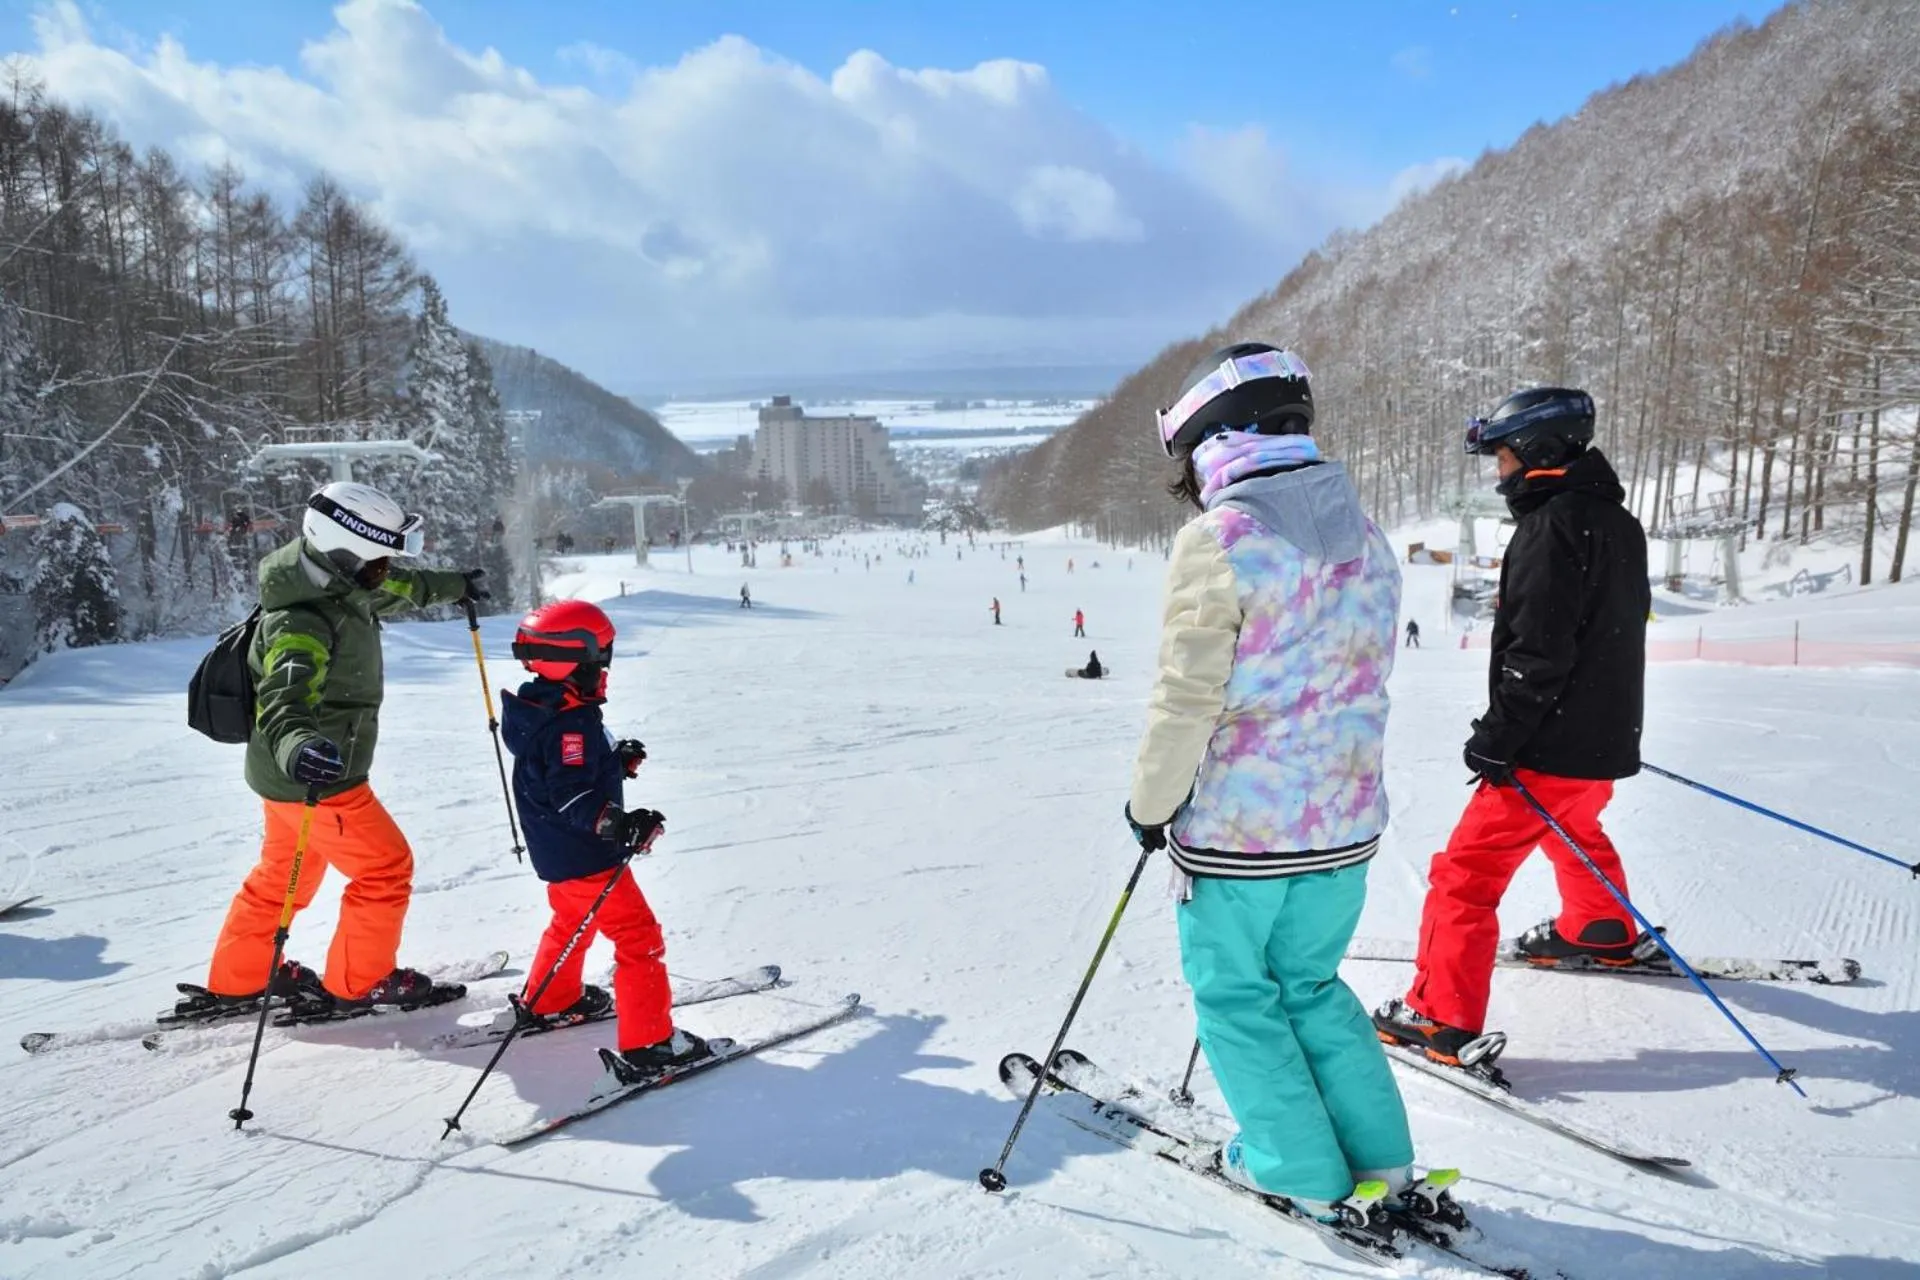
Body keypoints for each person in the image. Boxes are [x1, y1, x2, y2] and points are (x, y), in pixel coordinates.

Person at [1126, 342, 1428, 1241]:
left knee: (1236, 996)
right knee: (1311, 984)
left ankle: (1295, 1168)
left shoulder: (1219, 540)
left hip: (1241, 834)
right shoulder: (1366, 533)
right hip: (1343, 826)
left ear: (1215, 442)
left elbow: (1188, 697)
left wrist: (1151, 806)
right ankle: (1381, 1157)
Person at [1373, 387, 1650, 1067]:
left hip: (1548, 745)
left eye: (1501, 457)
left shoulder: (1549, 528)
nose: (1498, 474)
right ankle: (1600, 927)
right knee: (1575, 830)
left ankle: (1439, 1015)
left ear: (1537, 451)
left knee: (1464, 876)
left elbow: (1539, 651)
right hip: (1604, 742)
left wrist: (1499, 735)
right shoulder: (1617, 521)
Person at [195, 482, 485, 1017]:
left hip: (279, 777)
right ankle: (360, 981)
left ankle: (242, 974)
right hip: (318, 775)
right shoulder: (301, 624)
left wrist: (453, 586)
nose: (385, 571)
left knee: (283, 876)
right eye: (379, 560)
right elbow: (284, 702)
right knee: (384, 869)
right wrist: (302, 746)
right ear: (347, 553)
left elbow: (393, 586)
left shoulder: (332, 577)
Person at [501, 600, 709, 1081]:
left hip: (559, 855)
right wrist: (622, 825)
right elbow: (570, 796)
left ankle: (552, 999)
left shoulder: (547, 709)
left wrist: (613, 763)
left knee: (572, 920)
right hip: (585, 856)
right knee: (639, 939)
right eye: (602, 663)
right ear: (577, 664)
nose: (606, 673)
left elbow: (565, 775)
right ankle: (650, 1044)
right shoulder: (568, 727)